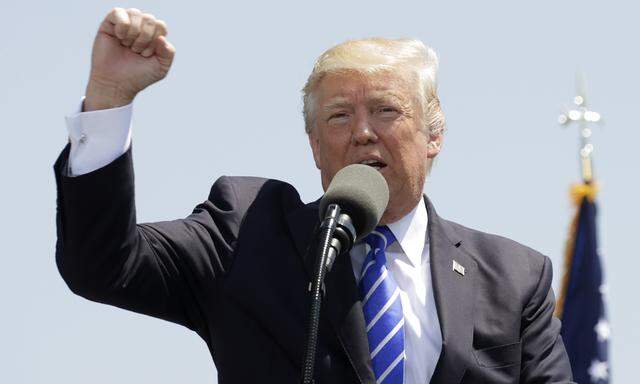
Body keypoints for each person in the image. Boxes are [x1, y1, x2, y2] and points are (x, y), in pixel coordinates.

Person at [53, 7, 574, 384]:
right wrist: (109, 98)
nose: (363, 133)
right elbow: (102, 265)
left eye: (386, 111)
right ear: (315, 146)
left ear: (434, 133)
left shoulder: (514, 277)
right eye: (339, 116)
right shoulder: (247, 232)